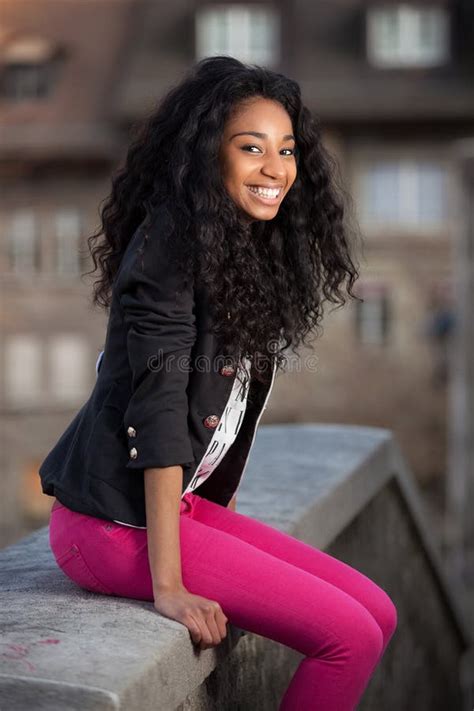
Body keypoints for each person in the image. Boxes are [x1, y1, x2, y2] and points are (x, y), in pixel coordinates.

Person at [40, 56, 397, 710]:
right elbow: (159, 408)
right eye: (251, 148)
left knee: (377, 609)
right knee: (348, 635)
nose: (275, 168)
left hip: (177, 506)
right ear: (208, 155)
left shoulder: (238, 248)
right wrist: (169, 585)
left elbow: (227, 408)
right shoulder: (168, 248)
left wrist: (221, 523)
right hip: (109, 526)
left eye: (286, 149)